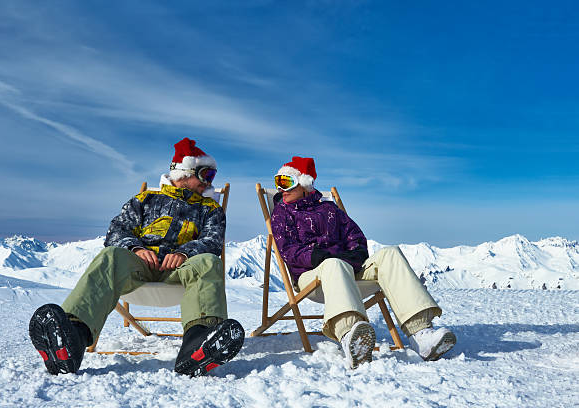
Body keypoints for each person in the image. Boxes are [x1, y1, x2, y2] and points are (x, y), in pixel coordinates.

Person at [29, 138, 245, 377]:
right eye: (206, 174)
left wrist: (184, 253)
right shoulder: (145, 200)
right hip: (139, 266)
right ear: (184, 173)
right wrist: (135, 249)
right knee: (110, 256)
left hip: (181, 271)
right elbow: (116, 232)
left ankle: (200, 343)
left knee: (209, 262)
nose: (208, 183)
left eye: (212, 176)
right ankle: (71, 339)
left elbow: (212, 241)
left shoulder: (210, 209)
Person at [270, 156, 456, 368]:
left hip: (347, 271)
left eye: (287, 182)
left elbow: (354, 236)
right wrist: (317, 256)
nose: (281, 188)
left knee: (390, 254)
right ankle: (351, 336)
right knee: (334, 264)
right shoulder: (282, 214)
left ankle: (421, 333)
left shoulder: (330, 210)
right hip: (312, 278)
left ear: (304, 184)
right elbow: (288, 250)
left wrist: (357, 253)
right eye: (278, 182)